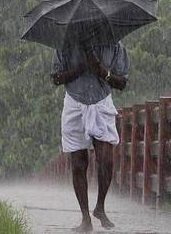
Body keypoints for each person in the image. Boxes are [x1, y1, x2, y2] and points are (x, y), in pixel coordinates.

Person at [51, 42, 129, 232]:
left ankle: (100, 207)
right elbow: (55, 78)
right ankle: (85, 217)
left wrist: (102, 71)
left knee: (106, 160)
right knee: (78, 163)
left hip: (101, 102)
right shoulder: (65, 44)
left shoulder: (115, 45)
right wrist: (81, 67)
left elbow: (122, 83)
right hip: (73, 103)